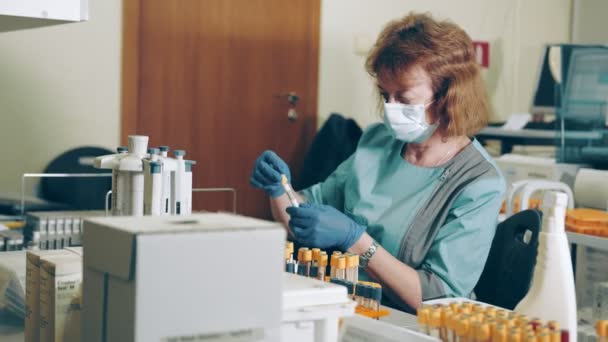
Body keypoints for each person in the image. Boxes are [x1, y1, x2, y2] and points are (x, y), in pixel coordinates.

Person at [250, 12, 506, 312]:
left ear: (450, 95)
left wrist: (357, 242)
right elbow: (300, 218)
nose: (390, 108)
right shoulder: (377, 141)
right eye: (386, 95)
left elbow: (440, 299)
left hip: (407, 323)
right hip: (342, 304)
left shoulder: (478, 184)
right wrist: (280, 190)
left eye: (405, 98)